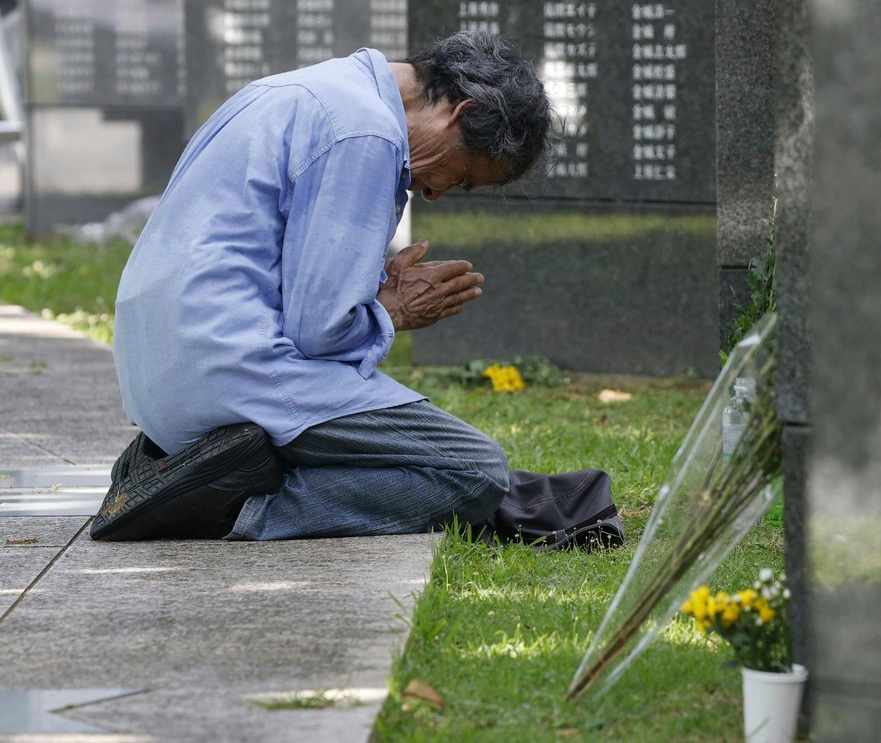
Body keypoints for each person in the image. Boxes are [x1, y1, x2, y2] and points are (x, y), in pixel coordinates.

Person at [94, 32, 555, 541]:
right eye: (462, 176)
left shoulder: (299, 90)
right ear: (460, 113)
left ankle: (181, 468)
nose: (435, 192)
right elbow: (319, 330)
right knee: (474, 470)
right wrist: (393, 309)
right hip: (229, 368)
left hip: (158, 377)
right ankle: (223, 505)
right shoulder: (367, 133)